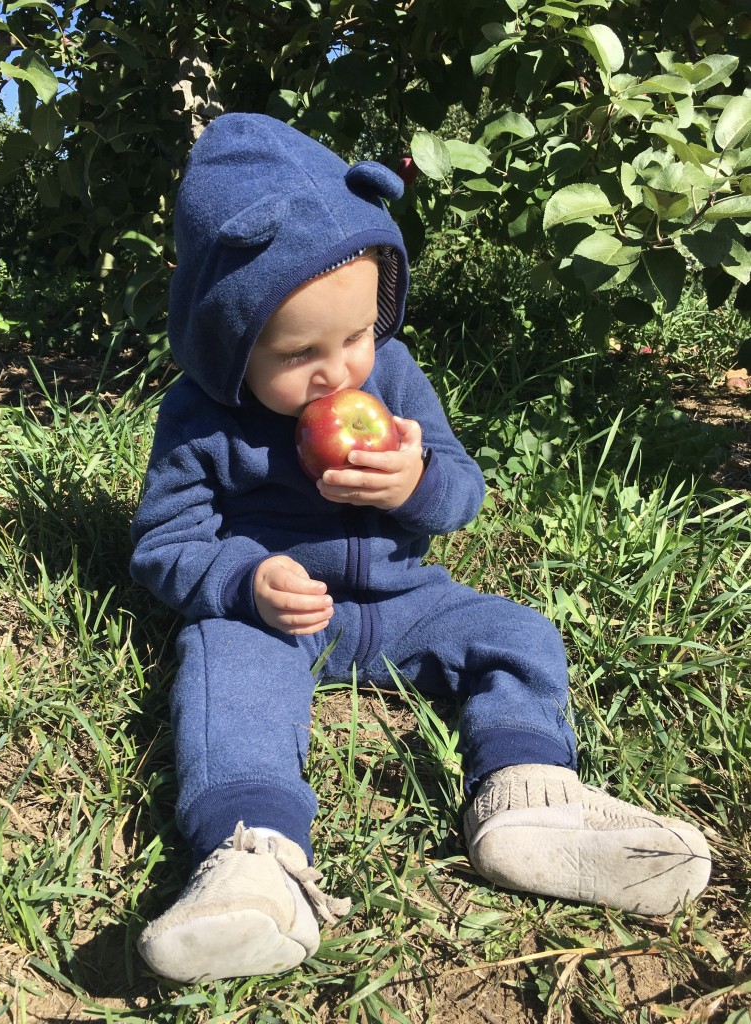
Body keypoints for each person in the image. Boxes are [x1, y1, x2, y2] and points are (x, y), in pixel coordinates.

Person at [130, 113, 711, 983]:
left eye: (359, 334)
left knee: (516, 631)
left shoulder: (390, 376)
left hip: (407, 602)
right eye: (299, 353)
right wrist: (245, 581)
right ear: (228, 337)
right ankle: (255, 864)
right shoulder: (200, 419)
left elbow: (461, 488)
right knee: (220, 667)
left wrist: (413, 485)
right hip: (284, 615)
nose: (341, 374)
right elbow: (163, 545)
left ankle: (526, 797)